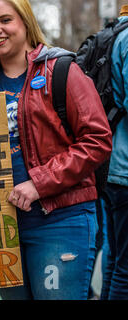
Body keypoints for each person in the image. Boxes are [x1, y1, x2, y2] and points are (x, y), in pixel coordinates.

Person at [0, 0, 112, 299]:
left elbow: (97, 140)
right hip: (1, 228)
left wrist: (39, 183)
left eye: (5, 20)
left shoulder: (62, 70)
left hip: (61, 221)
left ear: (25, 23)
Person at [100, 4, 128, 300]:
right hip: (125, 170)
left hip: (110, 167)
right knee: (125, 269)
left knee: (115, 261)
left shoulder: (112, 32)